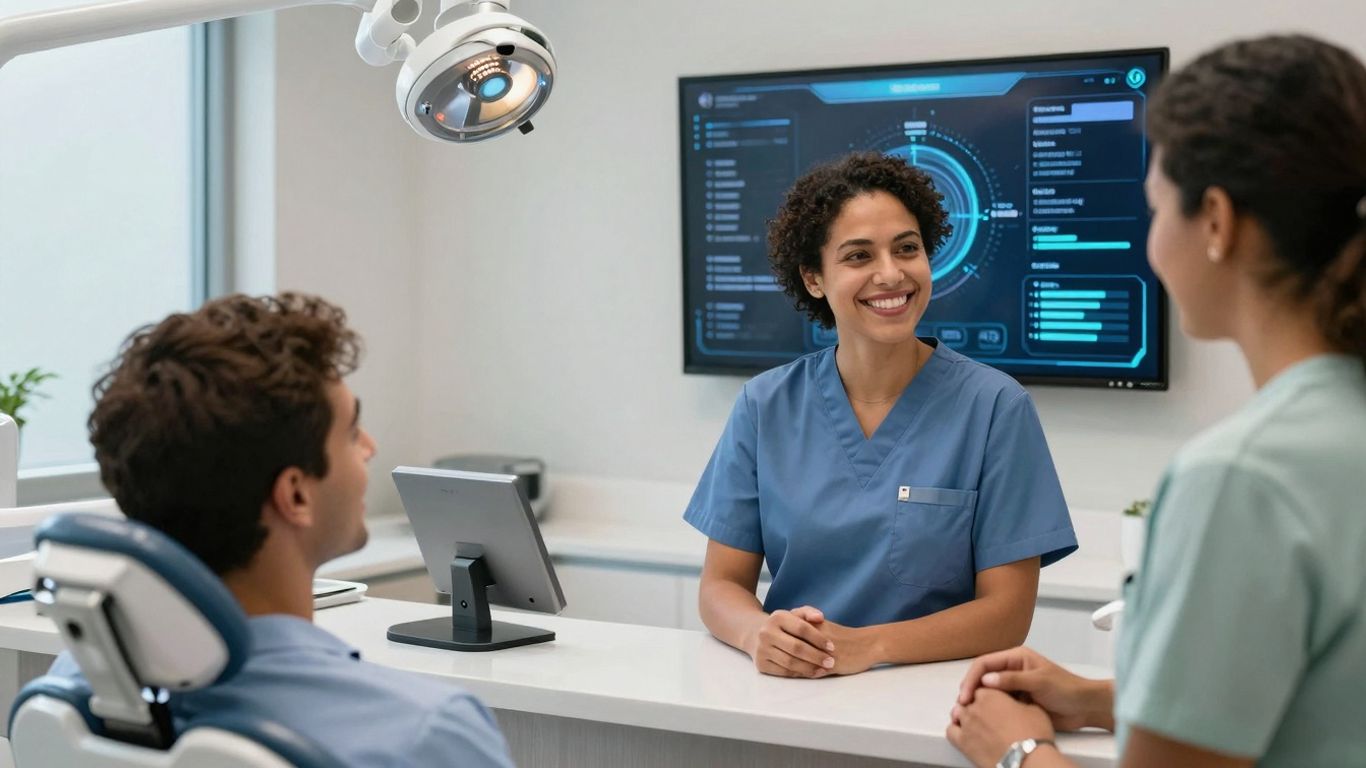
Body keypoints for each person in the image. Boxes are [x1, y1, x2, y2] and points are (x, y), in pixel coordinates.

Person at [949, 34, 1366, 768]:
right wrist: (1103, 697)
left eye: (1154, 210)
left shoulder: (1243, 479)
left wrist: (1016, 751)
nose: (1151, 244)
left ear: (1215, 220)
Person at [48, 293, 515, 767]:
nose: (370, 448)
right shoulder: (424, 735)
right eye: (352, 432)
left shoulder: (76, 688)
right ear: (295, 495)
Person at [684, 152, 1078, 678]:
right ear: (814, 279)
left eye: (907, 249)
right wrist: (758, 633)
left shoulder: (995, 408)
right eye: (858, 256)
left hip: (933, 702)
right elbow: (721, 585)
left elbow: (1006, 615)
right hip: (793, 692)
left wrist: (867, 646)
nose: (890, 274)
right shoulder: (765, 405)